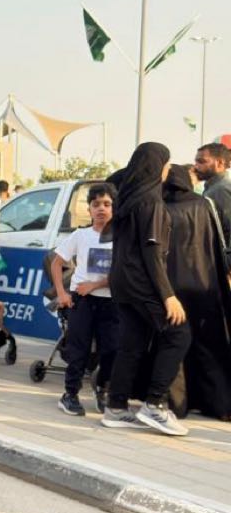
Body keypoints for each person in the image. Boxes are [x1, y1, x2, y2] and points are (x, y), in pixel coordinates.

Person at [104, 142, 190, 436]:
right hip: (141, 282)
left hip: (122, 281)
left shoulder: (127, 198)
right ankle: (155, 404)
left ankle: (116, 407)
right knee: (179, 334)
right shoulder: (150, 202)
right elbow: (152, 253)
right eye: (166, 163)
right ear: (156, 166)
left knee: (132, 344)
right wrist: (168, 295)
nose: (169, 169)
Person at [162, 164, 231, 422]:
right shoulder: (205, 204)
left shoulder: (161, 207)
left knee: (175, 347)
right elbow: (219, 243)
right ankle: (220, 404)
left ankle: (177, 405)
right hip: (206, 285)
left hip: (173, 289)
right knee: (209, 346)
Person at [51, 183, 119, 416]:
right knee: (78, 349)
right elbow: (57, 263)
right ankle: (70, 394)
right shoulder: (80, 235)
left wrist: (95, 285)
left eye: (107, 204)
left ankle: (103, 390)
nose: (101, 209)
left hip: (111, 302)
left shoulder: (122, 238)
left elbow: (122, 273)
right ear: (89, 209)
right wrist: (62, 294)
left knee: (111, 349)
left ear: (114, 208)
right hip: (82, 301)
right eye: (96, 204)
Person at [193, 142, 231, 258]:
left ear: (219, 163)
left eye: (202, 161)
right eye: (196, 162)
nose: (196, 166)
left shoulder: (221, 190)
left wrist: (228, 262)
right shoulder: (213, 188)